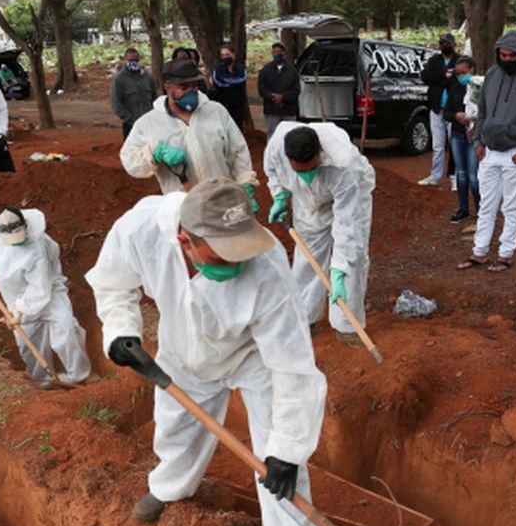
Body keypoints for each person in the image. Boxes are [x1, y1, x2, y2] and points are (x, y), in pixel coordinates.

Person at [86, 179, 326, 526]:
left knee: (279, 456)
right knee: (175, 429)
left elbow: (292, 365)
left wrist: (286, 450)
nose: (237, 262)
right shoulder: (141, 228)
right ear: (186, 240)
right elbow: (111, 284)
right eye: (223, 255)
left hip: (254, 358)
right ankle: (170, 487)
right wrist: (122, 331)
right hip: (182, 349)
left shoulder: (267, 264)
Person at [264, 123, 375, 346]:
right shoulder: (276, 147)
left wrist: (339, 270)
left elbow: (347, 225)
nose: (306, 175)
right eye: (299, 170)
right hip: (307, 201)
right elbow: (272, 171)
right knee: (308, 257)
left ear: (320, 154)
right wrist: (279, 196)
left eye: (311, 168)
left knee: (353, 257)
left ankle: (348, 326)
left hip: (351, 195)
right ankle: (304, 319)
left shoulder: (344, 165)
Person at [0, 207, 91, 388]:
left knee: (66, 332)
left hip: (49, 292)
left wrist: (19, 311)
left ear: (25, 225)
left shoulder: (38, 249)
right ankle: (44, 383)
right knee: (29, 342)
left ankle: (78, 376)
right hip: (15, 296)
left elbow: (40, 289)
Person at [457, 30, 516, 273]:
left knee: (510, 206)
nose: (507, 59)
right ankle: (479, 252)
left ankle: (505, 254)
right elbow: (483, 110)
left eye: (512, 55)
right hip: (488, 152)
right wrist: (478, 142)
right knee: (486, 205)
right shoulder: (492, 74)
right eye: (503, 55)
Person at [120, 58, 258, 205]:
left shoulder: (215, 111)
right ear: (167, 87)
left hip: (222, 202)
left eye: (194, 86)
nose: (191, 92)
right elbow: (129, 159)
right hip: (182, 208)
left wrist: (245, 183)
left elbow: (238, 151)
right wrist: (153, 153)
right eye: (184, 87)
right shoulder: (149, 123)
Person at [417, 33, 459, 187]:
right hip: (436, 108)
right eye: (442, 43)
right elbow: (426, 76)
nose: (445, 45)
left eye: (448, 43)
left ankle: (455, 178)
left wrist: (443, 79)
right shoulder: (434, 60)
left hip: (453, 110)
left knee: (453, 145)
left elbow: (457, 80)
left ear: (454, 44)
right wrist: (444, 76)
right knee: (437, 145)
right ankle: (435, 176)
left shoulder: (459, 60)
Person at [442, 56, 480, 222]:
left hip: (474, 136)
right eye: (458, 73)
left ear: (473, 70)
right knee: (461, 174)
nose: (461, 76)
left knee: (474, 175)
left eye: (464, 72)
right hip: (458, 134)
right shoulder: (456, 89)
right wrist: (456, 116)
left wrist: (473, 118)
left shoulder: (480, 88)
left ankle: (481, 210)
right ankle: (463, 208)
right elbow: (446, 113)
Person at [111, 47, 157, 140]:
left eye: (136, 60)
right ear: (125, 60)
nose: (134, 63)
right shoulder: (119, 79)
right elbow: (116, 103)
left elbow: (154, 97)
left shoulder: (147, 77)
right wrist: (129, 119)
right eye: (130, 60)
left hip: (148, 123)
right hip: (131, 124)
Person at [258, 42, 301, 139]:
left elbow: (296, 89)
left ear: (284, 54)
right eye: (274, 52)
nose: (277, 54)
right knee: (272, 136)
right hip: (272, 109)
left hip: (289, 110)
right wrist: (273, 97)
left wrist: (283, 97)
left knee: (290, 136)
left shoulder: (292, 71)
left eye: (279, 52)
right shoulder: (265, 70)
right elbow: (262, 88)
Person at [209, 43, 249, 129]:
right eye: (223, 55)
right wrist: (231, 82)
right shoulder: (218, 69)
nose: (225, 57)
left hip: (237, 107)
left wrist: (226, 80)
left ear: (233, 55)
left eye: (227, 54)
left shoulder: (240, 68)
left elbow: (242, 79)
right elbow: (218, 82)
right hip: (222, 106)